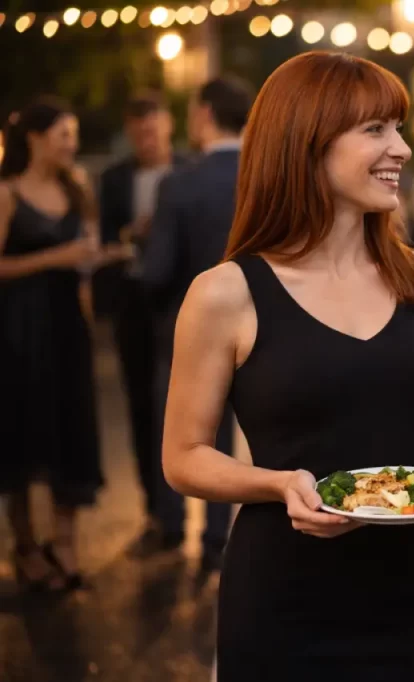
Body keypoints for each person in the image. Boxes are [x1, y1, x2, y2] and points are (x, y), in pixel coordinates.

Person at [160, 52, 414, 680]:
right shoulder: (225, 293)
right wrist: (277, 483)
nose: (402, 148)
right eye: (376, 129)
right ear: (306, 144)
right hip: (283, 602)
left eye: (399, 128)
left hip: (411, 594)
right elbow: (183, 456)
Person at [0, 98, 128, 592]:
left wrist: (105, 257)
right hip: (16, 331)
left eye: (74, 135)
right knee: (23, 434)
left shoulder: (77, 189)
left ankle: (66, 542)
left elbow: (84, 259)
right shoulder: (8, 193)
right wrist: (57, 256)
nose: (71, 145)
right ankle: (26, 545)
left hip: (67, 328)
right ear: (33, 138)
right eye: (63, 135)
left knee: (69, 430)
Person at [140, 76, 253, 571]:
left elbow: (158, 272)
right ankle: (218, 539)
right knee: (238, 434)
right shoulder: (266, 175)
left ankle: (173, 524)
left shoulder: (181, 182)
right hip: (261, 326)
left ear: (205, 114)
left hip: (190, 329)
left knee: (186, 436)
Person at [97, 92, 187, 547]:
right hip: (132, 299)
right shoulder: (114, 179)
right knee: (138, 404)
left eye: (152, 130)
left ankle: (183, 509)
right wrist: (135, 233)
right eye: (138, 134)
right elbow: (102, 236)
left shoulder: (190, 170)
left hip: (179, 301)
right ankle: (155, 508)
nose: (146, 140)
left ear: (167, 126)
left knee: (181, 407)